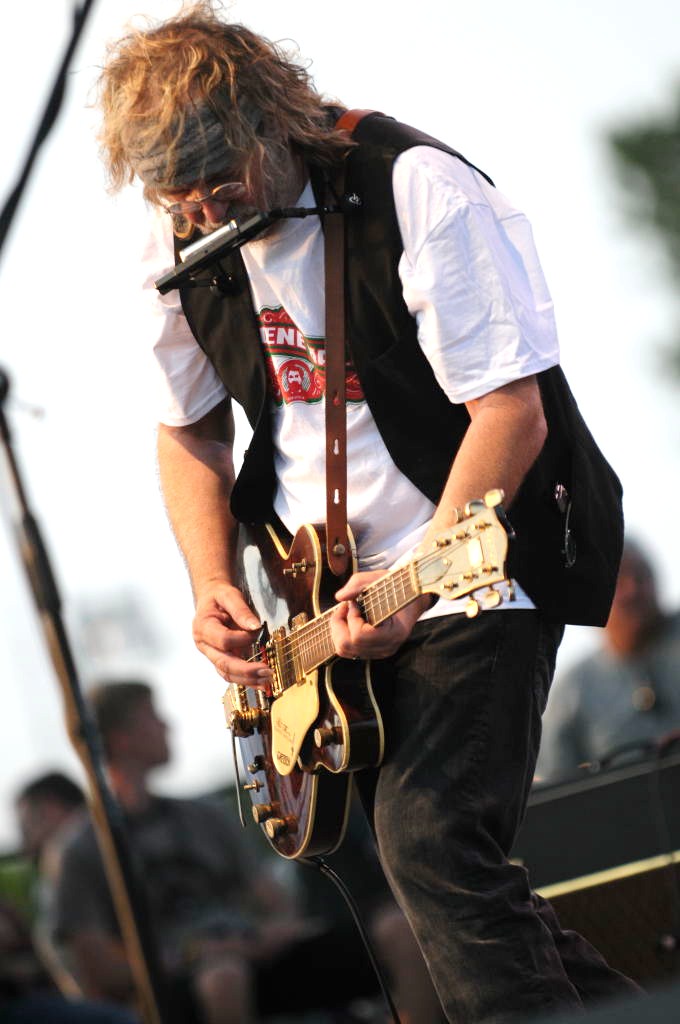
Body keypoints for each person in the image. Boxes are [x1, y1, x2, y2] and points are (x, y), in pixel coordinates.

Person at [96, 3, 639, 1021]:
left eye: (222, 184)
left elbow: (509, 412)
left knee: (431, 839)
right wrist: (212, 580)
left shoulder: (412, 185)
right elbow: (188, 432)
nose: (205, 212)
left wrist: (419, 581)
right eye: (180, 197)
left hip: (474, 561)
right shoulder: (175, 241)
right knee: (443, 886)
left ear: (272, 121)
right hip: (316, 601)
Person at [52, 681, 377, 1024]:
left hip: (252, 954)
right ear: (122, 739)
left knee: (390, 930)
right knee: (224, 979)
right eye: (151, 716)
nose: (166, 725)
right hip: (176, 988)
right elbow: (99, 968)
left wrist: (270, 932)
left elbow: (273, 900)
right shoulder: (81, 850)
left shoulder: (203, 815)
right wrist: (192, 955)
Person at [536, 540, 680, 784]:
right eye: (618, 582)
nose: (632, 590)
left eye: (640, 576)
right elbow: (555, 785)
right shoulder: (573, 690)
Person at [14, 772, 88, 997]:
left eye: (25, 823)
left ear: (50, 809)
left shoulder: (69, 854)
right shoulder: (52, 866)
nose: (23, 836)